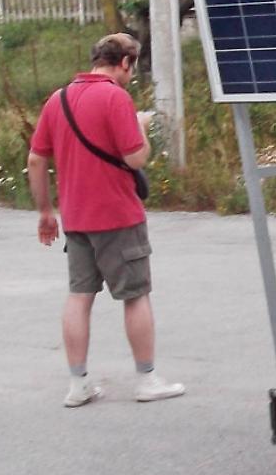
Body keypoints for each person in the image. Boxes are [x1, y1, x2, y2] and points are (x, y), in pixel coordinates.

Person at [28, 33, 186, 407]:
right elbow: (136, 158)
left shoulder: (58, 99)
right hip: (118, 216)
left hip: (76, 219)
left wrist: (45, 212)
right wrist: (141, 127)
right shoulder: (116, 98)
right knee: (135, 296)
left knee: (79, 297)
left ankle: (77, 383)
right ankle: (147, 379)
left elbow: (36, 160)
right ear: (125, 63)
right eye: (132, 67)